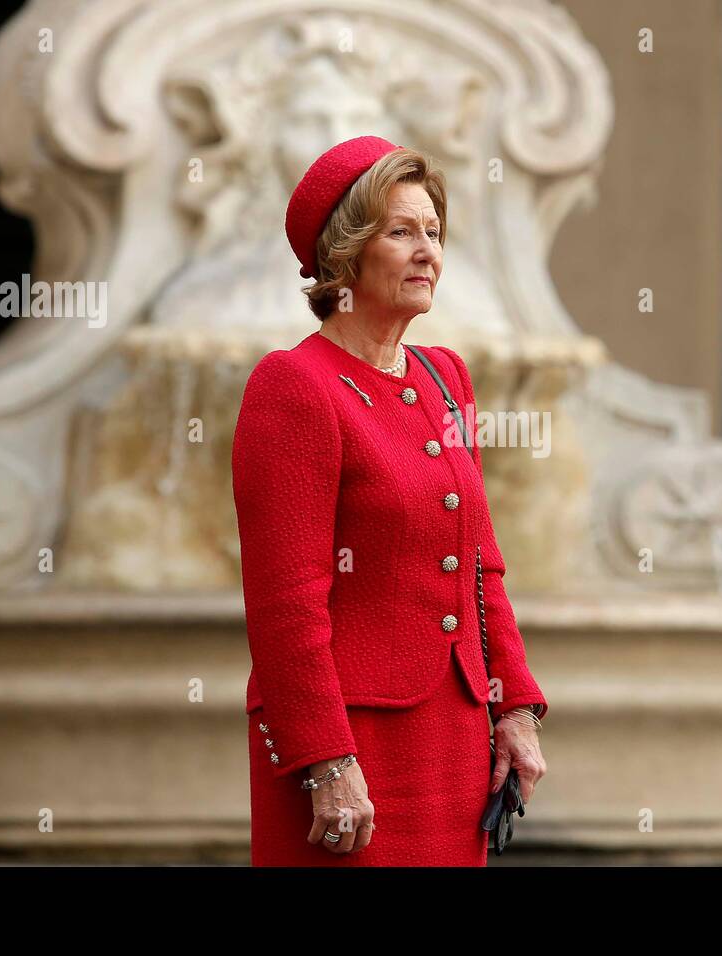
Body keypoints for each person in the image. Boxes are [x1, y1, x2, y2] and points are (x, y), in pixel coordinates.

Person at [233, 135, 549, 866]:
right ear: (344, 251)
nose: (427, 251)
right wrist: (326, 761)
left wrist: (514, 706)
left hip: (454, 736)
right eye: (401, 231)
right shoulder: (293, 387)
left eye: (433, 232)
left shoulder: (447, 378)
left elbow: (480, 570)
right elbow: (285, 604)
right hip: (352, 746)